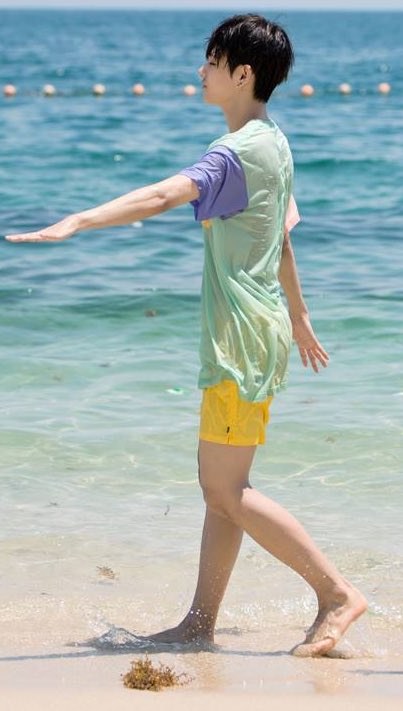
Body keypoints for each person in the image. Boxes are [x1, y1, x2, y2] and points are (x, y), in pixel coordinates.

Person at [5, 14, 367, 656]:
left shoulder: (235, 152)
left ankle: (336, 594)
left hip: (240, 337)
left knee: (227, 490)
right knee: (219, 491)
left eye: (211, 62)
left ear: (243, 74)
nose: (200, 72)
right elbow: (280, 238)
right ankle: (200, 623)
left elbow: (162, 196)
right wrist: (300, 316)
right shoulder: (275, 142)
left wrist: (78, 221)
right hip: (258, 330)